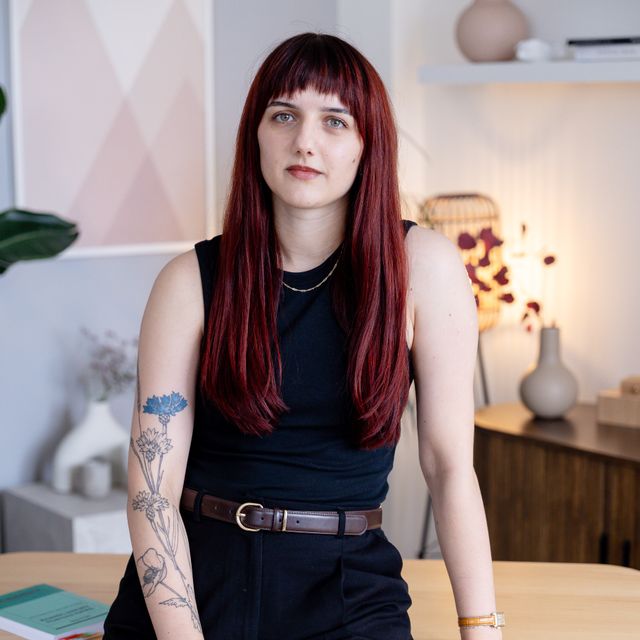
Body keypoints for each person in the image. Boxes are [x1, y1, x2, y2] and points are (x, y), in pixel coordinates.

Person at [103, 32, 502, 640]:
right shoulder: (188, 282)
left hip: (347, 586)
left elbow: (449, 468)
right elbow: (152, 492)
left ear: (368, 144)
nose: (305, 141)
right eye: (284, 115)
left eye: (335, 121)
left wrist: (482, 628)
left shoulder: (423, 268)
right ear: (256, 134)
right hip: (194, 583)